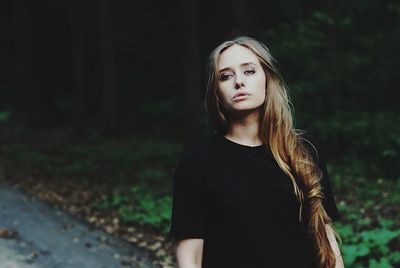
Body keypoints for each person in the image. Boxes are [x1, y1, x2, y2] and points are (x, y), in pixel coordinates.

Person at [169, 36, 344, 268]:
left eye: (249, 71)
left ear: (267, 79)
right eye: (226, 76)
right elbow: (190, 258)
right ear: (216, 91)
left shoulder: (303, 150)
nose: (238, 82)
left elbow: (325, 236)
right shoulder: (196, 165)